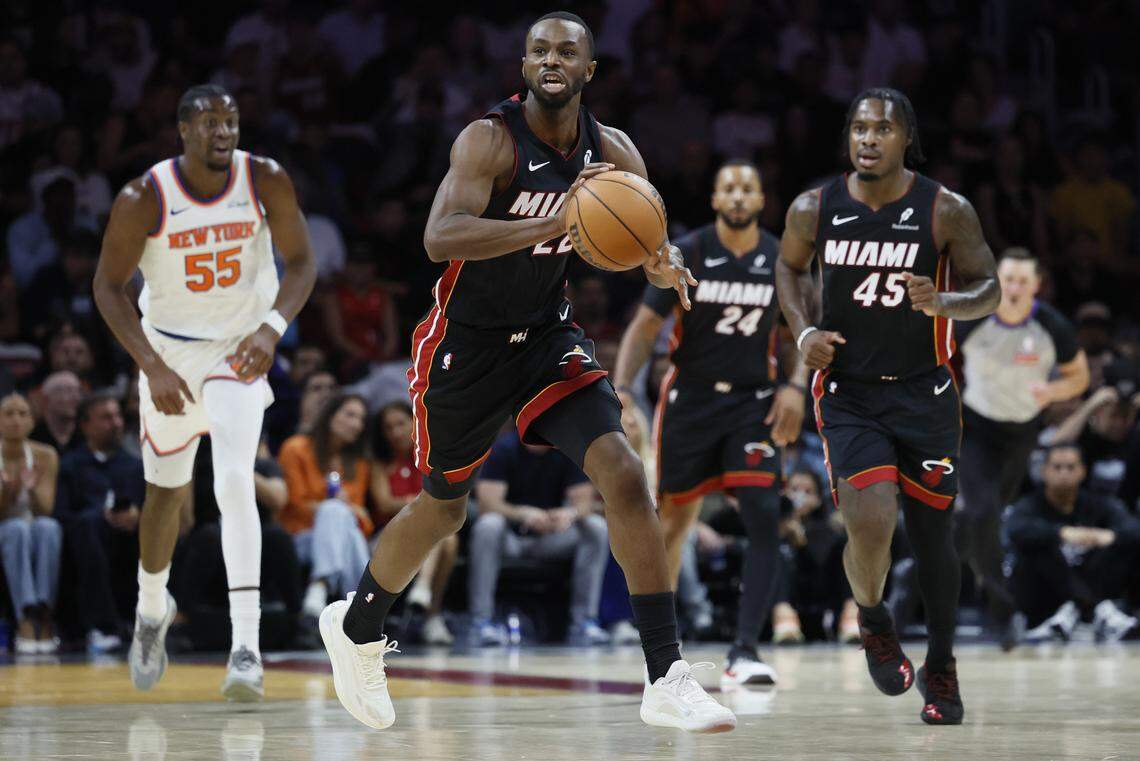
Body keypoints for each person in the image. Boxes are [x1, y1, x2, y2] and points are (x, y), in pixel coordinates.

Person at [319, 12, 735, 734]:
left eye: (567, 50)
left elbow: (647, 234)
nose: (551, 59)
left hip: (546, 337)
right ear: (523, 65)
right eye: (539, 49)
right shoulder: (489, 140)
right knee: (444, 506)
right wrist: (554, 222)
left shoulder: (613, 150)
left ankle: (665, 674)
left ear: (589, 70)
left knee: (626, 474)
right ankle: (357, 628)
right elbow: (439, 236)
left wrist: (661, 264)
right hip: (465, 344)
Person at [776, 88, 1000, 725]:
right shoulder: (813, 208)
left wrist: (943, 303)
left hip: (925, 393)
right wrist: (802, 333)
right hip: (850, 394)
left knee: (935, 542)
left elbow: (988, 288)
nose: (868, 138)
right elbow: (789, 272)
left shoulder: (944, 209)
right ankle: (874, 620)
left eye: (882, 128)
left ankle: (944, 667)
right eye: (858, 128)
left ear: (907, 138)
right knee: (870, 524)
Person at [92, 84, 316, 700]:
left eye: (232, 121)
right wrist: (151, 365)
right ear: (184, 130)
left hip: (239, 347)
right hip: (168, 350)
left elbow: (301, 263)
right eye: (211, 123)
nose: (224, 132)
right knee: (165, 491)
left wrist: (272, 330)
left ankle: (247, 648)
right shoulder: (146, 196)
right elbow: (108, 288)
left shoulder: (264, 179)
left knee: (234, 479)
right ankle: (150, 607)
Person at [613, 159, 806, 688]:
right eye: (729, 188)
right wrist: (626, 391)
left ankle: (744, 651)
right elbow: (644, 326)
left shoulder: (779, 258)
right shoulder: (689, 252)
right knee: (673, 523)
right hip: (691, 401)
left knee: (765, 516)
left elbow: (801, 334)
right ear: (716, 200)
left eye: (748, 187)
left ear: (762, 199)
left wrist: (795, 387)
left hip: (754, 403)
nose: (739, 195)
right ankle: (665, 653)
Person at [955, 248, 1089, 648]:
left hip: (1022, 433)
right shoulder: (971, 318)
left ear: (1035, 286)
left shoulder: (1052, 326)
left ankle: (916, 574)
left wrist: (1053, 390)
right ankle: (1001, 609)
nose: (1013, 288)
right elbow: (929, 358)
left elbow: (1079, 377)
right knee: (983, 510)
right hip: (975, 428)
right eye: (1007, 279)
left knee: (981, 521)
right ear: (995, 280)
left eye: (1021, 281)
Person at [470, 430, 609, 646]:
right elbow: (487, 504)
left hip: (550, 538)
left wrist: (568, 514)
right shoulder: (503, 449)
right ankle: (481, 622)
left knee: (596, 527)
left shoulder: (566, 449)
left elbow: (583, 504)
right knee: (488, 525)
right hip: (510, 538)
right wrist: (523, 513)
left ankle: (584, 622)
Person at [1008, 444, 1140, 643]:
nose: (1063, 473)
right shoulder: (1029, 504)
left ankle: (1075, 611)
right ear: (1044, 471)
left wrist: (1111, 536)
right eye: (1057, 467)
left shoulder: (1099, 503)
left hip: (1093, 581)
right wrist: (1061, 533)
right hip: (1044, 594)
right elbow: (1016, 529)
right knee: (1036, 547)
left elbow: (1132, 528)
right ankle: (1094, 610)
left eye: (1070, 467)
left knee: (1123, 545)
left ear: (1083, 471)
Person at [54, 392, 144, 653]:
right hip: (85, 544)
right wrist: (99, 517)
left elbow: (151, 510)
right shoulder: (71, 465)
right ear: (85, 425)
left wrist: (136, 516)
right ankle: (103, 626)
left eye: (117, 416)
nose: (115, 423)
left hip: (128, 541)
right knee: (89, 524)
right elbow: (61, 515)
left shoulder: (135, 466)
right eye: (106, 418)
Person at [278, 394, 374, 622]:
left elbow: (361, 518)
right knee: (334, 511)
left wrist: (342, 509)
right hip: (300, 536)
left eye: (361, 419)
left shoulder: (358, 463)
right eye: (350, 415)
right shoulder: (296, 448)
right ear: (330, 414)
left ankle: (318, 591)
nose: (356, 424)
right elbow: (294, 504)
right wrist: (335, 507)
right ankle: (363, 609)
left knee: (344, 523)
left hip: (341, 539)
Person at [370, 401, 456, 646]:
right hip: (386, 536)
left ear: (414, 422)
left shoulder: (430, 457)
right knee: (438, 531)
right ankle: (429, 606)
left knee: (447, 537)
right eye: (388, 428)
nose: (395, 432)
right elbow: (385, 504)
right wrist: (419, 501)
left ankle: (429, 606)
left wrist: (414, 503)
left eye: (400, 423)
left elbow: (443, 500)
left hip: (426, 534)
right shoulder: (380, 463)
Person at [0, 393, 62, 653]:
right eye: (9, 414)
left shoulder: (45, 455)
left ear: (32, 422)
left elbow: (45, 509)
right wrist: (10, 491)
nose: (16, 420)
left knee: (49, 527)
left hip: (32, 526)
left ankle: (44, 612)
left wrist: (32, 488)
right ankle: (25, 616)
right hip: (6, 525)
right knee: (16, 529)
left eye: (23, 414)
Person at [30, 370, 84, 455]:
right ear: (46, 399)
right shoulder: (32, 438)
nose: (76, 398)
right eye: (67, 391)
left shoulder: (87, 436)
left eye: (78, 391)